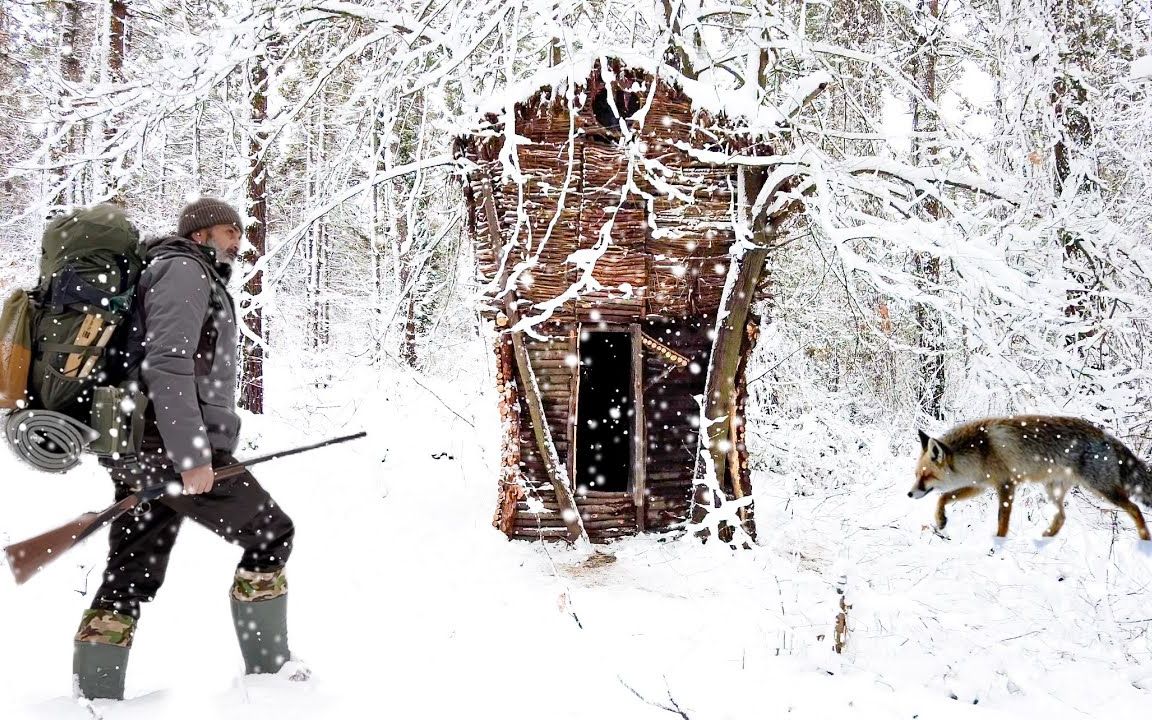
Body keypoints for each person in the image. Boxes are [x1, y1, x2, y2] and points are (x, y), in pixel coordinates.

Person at [72, 198, 296, 700]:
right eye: (227, 231)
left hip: (142, 442)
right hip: (165, 446)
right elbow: (167, 365)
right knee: (271, 533)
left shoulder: (178, 270)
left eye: (239, 232)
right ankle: (273, 677)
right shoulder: (183, 271)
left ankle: (95, 691)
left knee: (133, 567)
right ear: (200, 234)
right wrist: (194, 455)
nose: (237, 241)